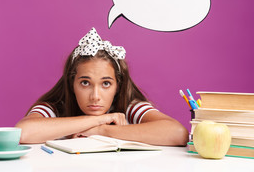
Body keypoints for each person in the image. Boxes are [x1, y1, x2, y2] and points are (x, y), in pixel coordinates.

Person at [16, 28, 188, 146]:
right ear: (71, 83)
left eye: (106, 84)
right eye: (85, 83)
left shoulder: (128, 106)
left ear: (117, 86)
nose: (95, 96)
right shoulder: (57, 107)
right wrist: (99, 119)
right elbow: (22, 132)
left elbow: (177, 133)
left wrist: (102, 130)